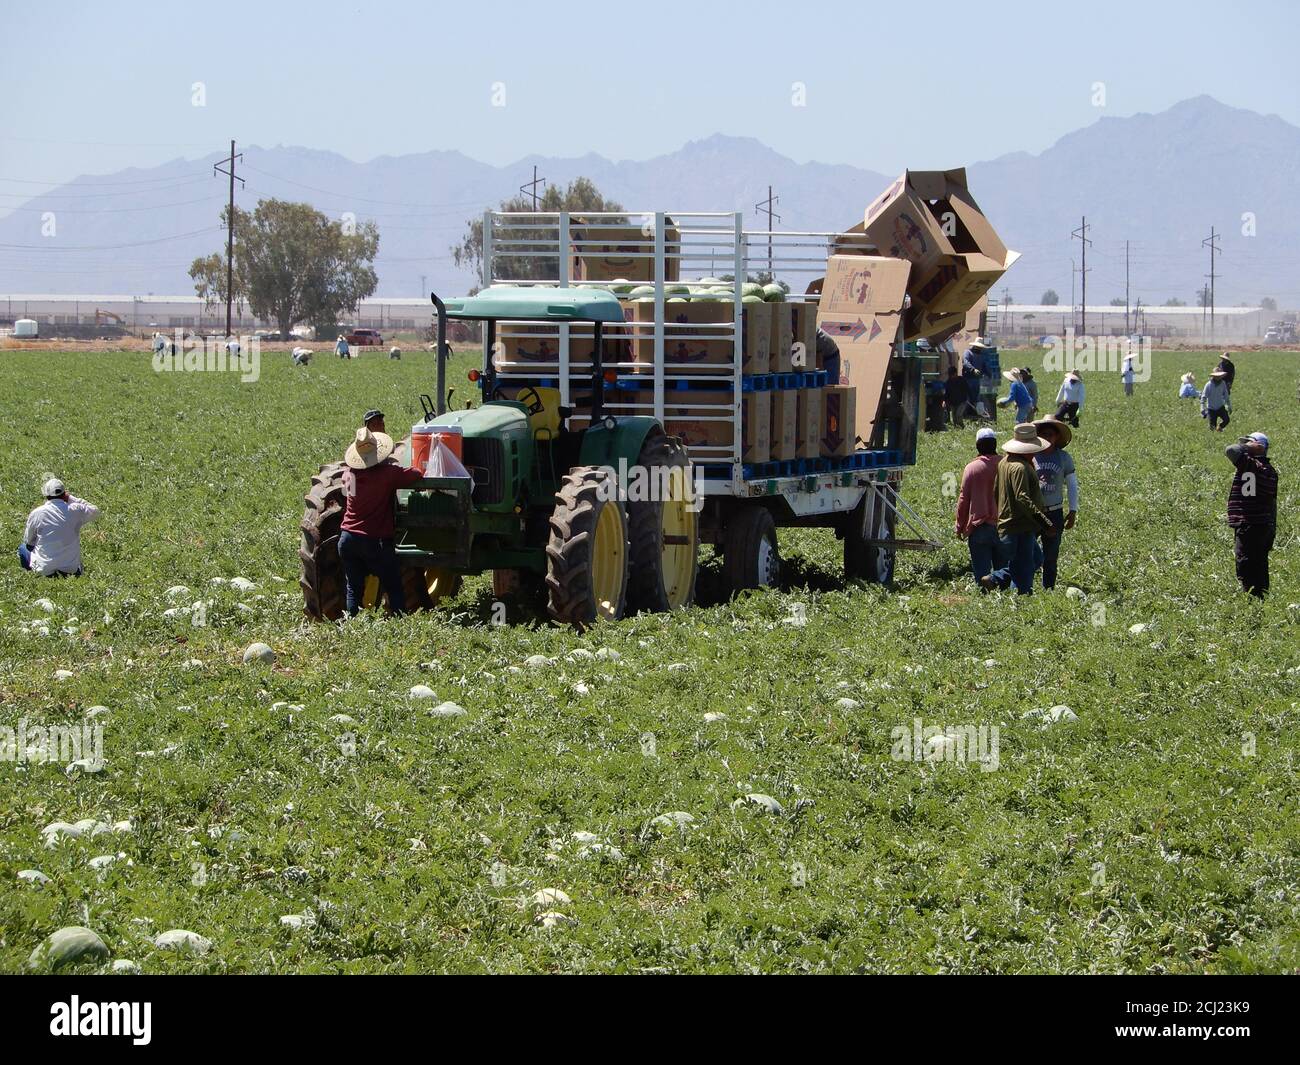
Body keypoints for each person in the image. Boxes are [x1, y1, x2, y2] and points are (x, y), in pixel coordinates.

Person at [338, 427, 423, 616]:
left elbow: (348, 492)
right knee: (393, 586)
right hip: (373, 540)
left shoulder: (348, 475)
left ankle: (352, 625)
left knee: (353, 587)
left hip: (347, 539)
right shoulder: (387, 474)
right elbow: (416, 474)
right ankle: (400, 623)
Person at [979, 424, 1056, 595]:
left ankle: (995, 579)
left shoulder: (1005, 462)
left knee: (1035, 559)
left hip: (1011, 523)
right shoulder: (1020, 467)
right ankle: (1020, 600)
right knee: (1024, 568)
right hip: (1021, 525)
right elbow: (1022, 497)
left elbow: (995, 490)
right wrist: (1044, 521)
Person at [1225, 432, 1277, 598]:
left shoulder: (1254, 466)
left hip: (1250, 524)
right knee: (1257, 563)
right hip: (1257, 524)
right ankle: (1259, 598)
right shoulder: (1262, 468)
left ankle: (1253, 600)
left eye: (1249, 443)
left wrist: (1247, 448)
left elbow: (1231, 450)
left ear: (1259, 447)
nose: (1245, 447)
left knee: (1247, 563)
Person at [955, 427, 1009, 586]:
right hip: (1004, 526)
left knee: (982, 576)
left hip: (979, 528)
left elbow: (964, 500)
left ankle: (984, 600)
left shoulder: (972, 468)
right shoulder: (1006, 465)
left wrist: (959, 526)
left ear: (978, 446)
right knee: (1003, 574)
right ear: (995, 444)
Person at [19, 479, 101, 578]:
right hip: (70, 570)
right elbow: (95, 511)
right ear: (64, 494)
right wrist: (70, 498)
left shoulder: (37, 513)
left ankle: (33, 576)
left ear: (46, 495)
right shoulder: (75, 509)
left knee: (23, 548)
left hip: (45, 570)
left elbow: (29, 542)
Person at [1031, 418, 1078, 590]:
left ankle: (1048, 588)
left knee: (1051, 555)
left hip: (1054, 513)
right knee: (1028, 551)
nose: (1047, 438)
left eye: (1050, 434)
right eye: (1043, 434)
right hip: (1034, 512)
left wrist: (1073, 511)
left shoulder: (1063, 458)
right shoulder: (1031, 455)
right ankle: (1023, 587)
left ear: (1057, 436)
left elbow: (1072, 485)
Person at [961, 337, 989, 413]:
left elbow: (984, 366)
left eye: (980, 347)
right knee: (967, 396)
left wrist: (988, 373)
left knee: (975, 397)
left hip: (977, 380)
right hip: (968, 379)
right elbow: (965, 363)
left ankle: (974, 412)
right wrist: (973, 369)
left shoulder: (982, 356)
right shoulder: (968, 352)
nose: (979, 349)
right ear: (974, 346)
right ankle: (965, 412)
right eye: (978, 347)